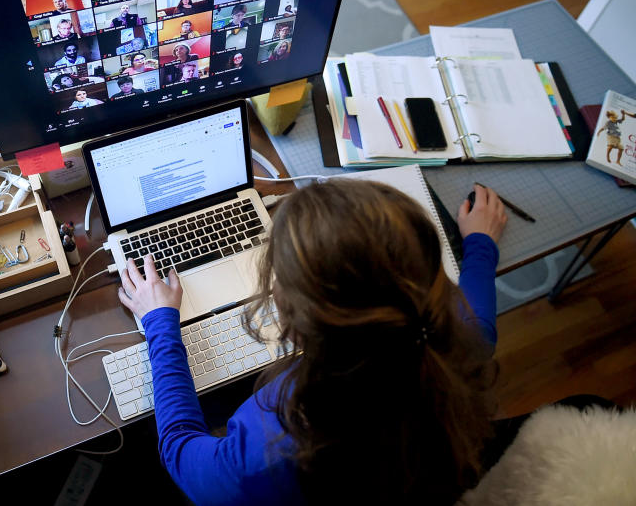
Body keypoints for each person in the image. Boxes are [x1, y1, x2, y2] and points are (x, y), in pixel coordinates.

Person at [118, 182, 506, 504]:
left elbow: (180, 451)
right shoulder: (455, 341)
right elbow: (480, 324)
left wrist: (159, 322)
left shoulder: (268, 452)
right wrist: (480, 244)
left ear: (298, 325)